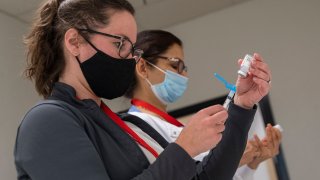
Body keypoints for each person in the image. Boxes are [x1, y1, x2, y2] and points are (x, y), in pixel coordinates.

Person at [15, 0, 237, 179]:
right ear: (74, 42)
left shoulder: (121, 125)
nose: (129, 59)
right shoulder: (47, 120)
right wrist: (184, 149)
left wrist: (243, 106)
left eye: (132, 49)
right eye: (119, 44)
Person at [124, 30, 279, 179]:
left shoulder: (176, 128)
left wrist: (251, 164)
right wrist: (238, 158)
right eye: (176, 65)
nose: (184, 75)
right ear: (143, 67)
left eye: (184, 68)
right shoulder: (134, 131)